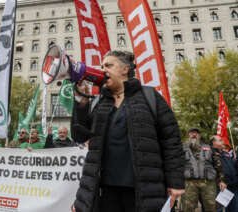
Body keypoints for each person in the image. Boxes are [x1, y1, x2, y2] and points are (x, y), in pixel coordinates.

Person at [71, 50, 185, 212]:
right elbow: (79, 135)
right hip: (105, 191)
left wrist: (175, 182)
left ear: (125, 69)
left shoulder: (149, 97)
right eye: (102, 66)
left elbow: (171, 141)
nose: (103, 70)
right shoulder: (99, 102)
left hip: (144, 190)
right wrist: (81, 103)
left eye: (109, 65)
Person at [182, 128, 227, 212]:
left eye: (196, 133)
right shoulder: (181, 148)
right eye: (191, 133)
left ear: (199, 135)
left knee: (212, 207)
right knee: (187, 208)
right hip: (189, 183)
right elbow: (176, 165)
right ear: (188, 135)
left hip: (208, 183)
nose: (194, 135)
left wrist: (222, 180)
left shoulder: (209, 148)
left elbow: (218, 165)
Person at [211, 135, 238, 212]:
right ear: (213, 142)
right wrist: (219, 181)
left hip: (233, 185)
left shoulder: (226, 154)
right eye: (219, 140)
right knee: (218, 209)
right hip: (221, 187)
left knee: (234, 209)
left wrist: (235, 161)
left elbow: (233, 166)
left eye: (221, 140)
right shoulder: (210, 153)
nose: (222, 141)